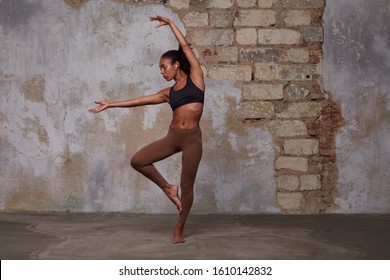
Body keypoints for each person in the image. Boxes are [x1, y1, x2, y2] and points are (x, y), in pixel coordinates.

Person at [89, 15, 205, 244]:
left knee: (188, 185)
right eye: (160, 68)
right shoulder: (167, 93)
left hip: (192, 140)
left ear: (176, 64)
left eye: (164, 67)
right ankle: (167, 188)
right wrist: (111, 104)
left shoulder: (197, 78)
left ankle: (179, 228)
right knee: (138, 160)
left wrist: (172, 24)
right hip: (173, 137)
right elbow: (140, 101)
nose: (161, 72)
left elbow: (183, 46)